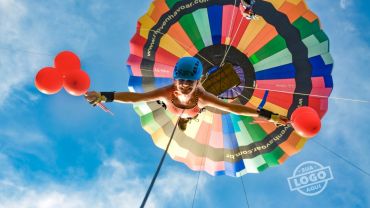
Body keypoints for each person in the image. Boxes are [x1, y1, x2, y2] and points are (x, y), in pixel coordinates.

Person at [85, 57, 288, 131]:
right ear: (175, 79)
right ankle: (184, 120)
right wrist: (104, 95)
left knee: (190, 115)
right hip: (174, 107)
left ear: (198, 81)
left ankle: (186, 120)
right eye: (181, 80)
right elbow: (136, 98)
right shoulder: (168, 90)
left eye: (189, 82)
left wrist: (270, 116)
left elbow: (233, 108)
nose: (183, 85)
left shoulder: (203, 96)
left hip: (191, 111)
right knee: (178, 111)